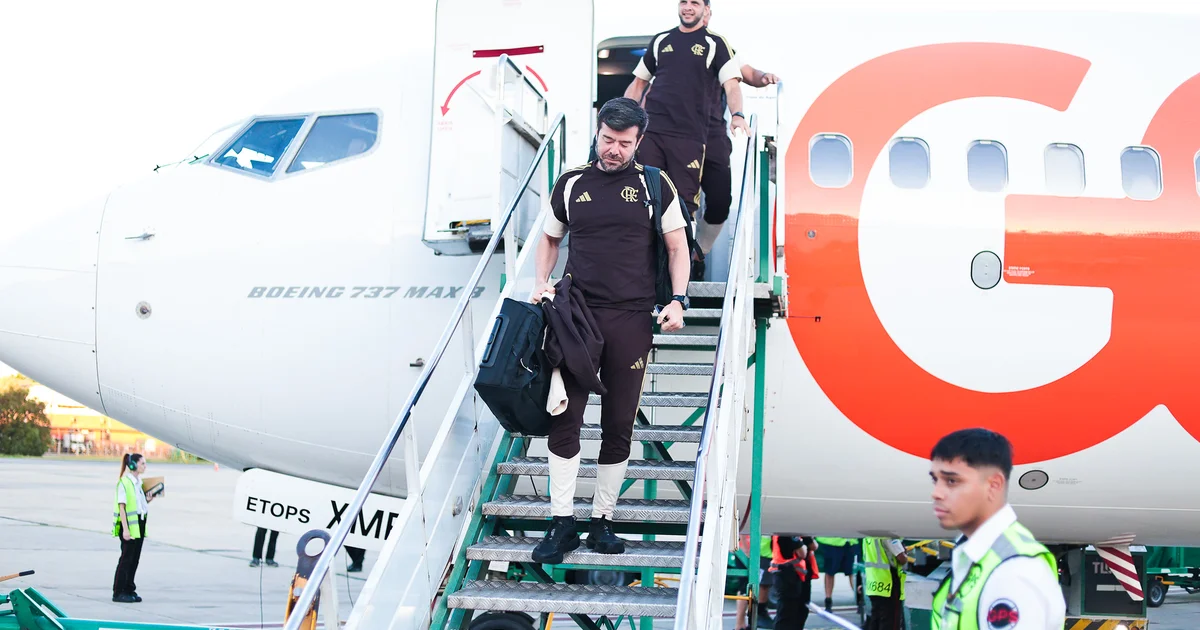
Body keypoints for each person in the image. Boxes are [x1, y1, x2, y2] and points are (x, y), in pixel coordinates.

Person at [528, 97, 691, 564]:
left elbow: (676, 247)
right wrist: (542, 283)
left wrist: (678, 300)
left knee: (618, 423)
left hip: (632, 318)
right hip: (577, 314)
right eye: (607, 140)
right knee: (565, 417)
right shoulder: (572, 182)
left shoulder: (655, 185)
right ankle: (561, 523)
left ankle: (602, 520)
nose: (614, 150)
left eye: (624, 143)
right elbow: (550, 238)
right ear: (597, 133)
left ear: (638, 142)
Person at [624, 0, 748, 277]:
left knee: (698, 204)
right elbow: (639, 84)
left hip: (692, 135)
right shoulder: (661, 40)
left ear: (706, 9)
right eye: (684, 2)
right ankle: (645, 264)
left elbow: (732, 83)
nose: (688, 7)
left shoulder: (715, 43)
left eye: (694, 3)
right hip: (654, 130)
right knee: (647, 195)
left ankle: (694, 255)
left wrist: (738, 114)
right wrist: (619, 117)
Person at [929, 429, 1065, 629]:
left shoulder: (1014, 571)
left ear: (993, 485)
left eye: (952, 481)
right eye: (935, 480)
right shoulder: (981, 556)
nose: (937, 493)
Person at [691, 5, 779, 278]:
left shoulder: (718, 46)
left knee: (719, 202)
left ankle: (698, 252)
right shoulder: (672, 48)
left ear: (707, 15)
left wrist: (763, 78)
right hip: (679, 135)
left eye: (700, 9)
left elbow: (747, 73)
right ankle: (675, 261)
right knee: (681, 203)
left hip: (712, 133)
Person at [112, 453, 156, 603]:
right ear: (133, 465)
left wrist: (148, 499)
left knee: (134, 559)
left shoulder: (139, 483)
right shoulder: (124, 482)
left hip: (140, 524)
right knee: (126, 559)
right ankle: (118, 592)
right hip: (129, 525)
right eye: (142, 463)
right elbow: (122, 508)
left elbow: (138, 506)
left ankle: (129, 588)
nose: (145, 466)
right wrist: (125, 529)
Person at [770, 535, 819, 630]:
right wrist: (803, 544)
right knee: (787, 613)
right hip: (787, 575)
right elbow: (802, 553)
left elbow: (813, 546)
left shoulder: (801, 534)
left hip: (801, 577)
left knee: (800, 612)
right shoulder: (785, 535)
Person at [861, 537, 906, 630]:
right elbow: (902, 559)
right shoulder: (887, 536)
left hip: (874, 585)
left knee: (875, 621)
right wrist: (904, 552)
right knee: (890, 623)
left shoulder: (868, 538)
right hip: (888, 585)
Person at [734, 534, 776, 629]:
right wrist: (745, 548)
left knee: (757, 586)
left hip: (758, 551)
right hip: (751, 551)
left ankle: (745, 623)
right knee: (746, 587)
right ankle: (740, 624)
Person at [814, 537, 862, 613]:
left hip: (850, 541)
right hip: (832, 541)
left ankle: (860, 601)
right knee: (830, 572)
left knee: (853, 572)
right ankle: (828, 602)